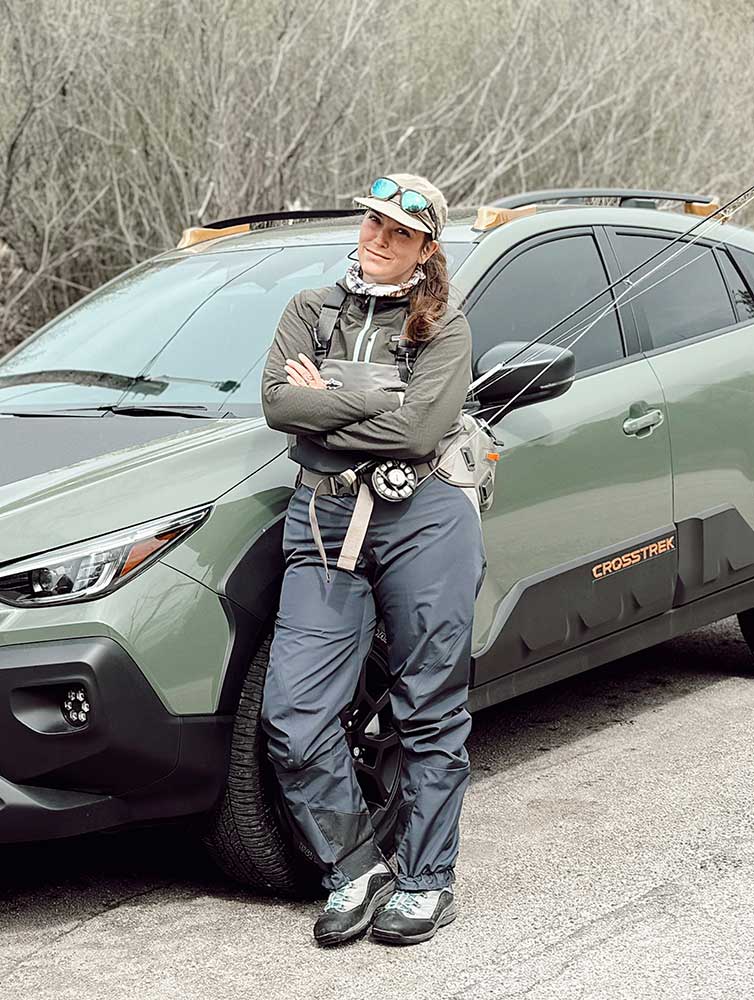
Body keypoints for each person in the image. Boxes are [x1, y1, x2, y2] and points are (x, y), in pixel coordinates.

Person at [260, 173, 486, 947]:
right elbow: (279, 408)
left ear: (426, 248)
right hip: (323, 517)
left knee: (428, 708)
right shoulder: (309, 311)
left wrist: (327, 410)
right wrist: (378, 404)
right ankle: (355, 865)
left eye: (397, 230)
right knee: (292, 716)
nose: (376, 237)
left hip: (422, 517)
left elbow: (423, 434)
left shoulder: (445, 326)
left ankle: (426, 881)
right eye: (371, 221)